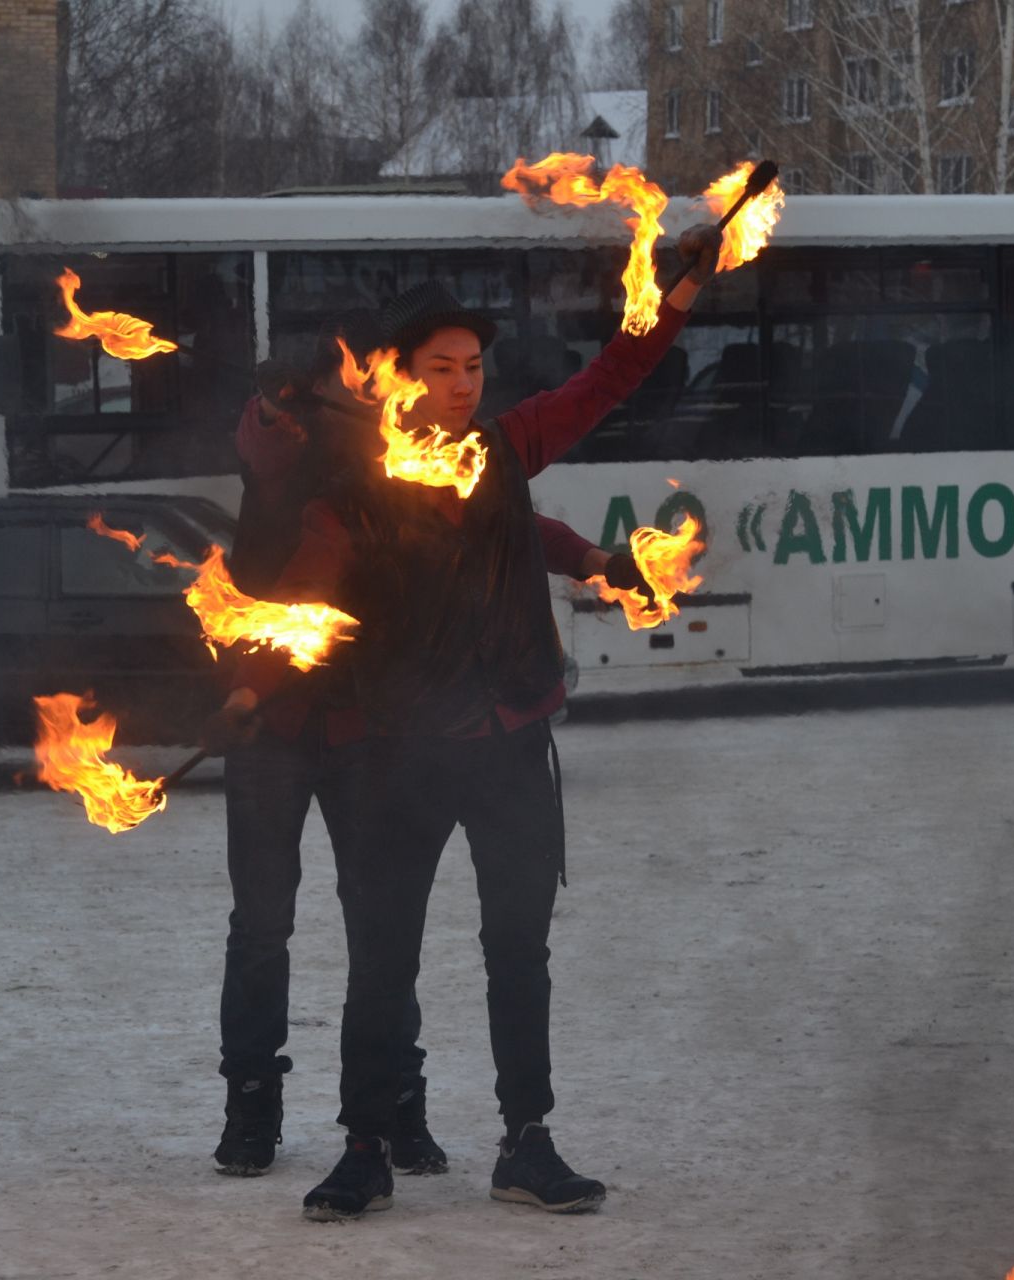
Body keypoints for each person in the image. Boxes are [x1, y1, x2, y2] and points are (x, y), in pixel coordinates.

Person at [207, 224, 723, 1221]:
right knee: (384, 955)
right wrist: (254, 683)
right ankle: (365, 1145)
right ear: (398, 379)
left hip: (512, 742)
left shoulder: (503, 450)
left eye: (473, 366)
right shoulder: (356, 492)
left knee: (517, 948)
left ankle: (526, 1139)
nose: (460, 383)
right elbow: (306, 598)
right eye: (439, 367)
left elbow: (606, 380)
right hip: (403, 754)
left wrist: (669, 308)